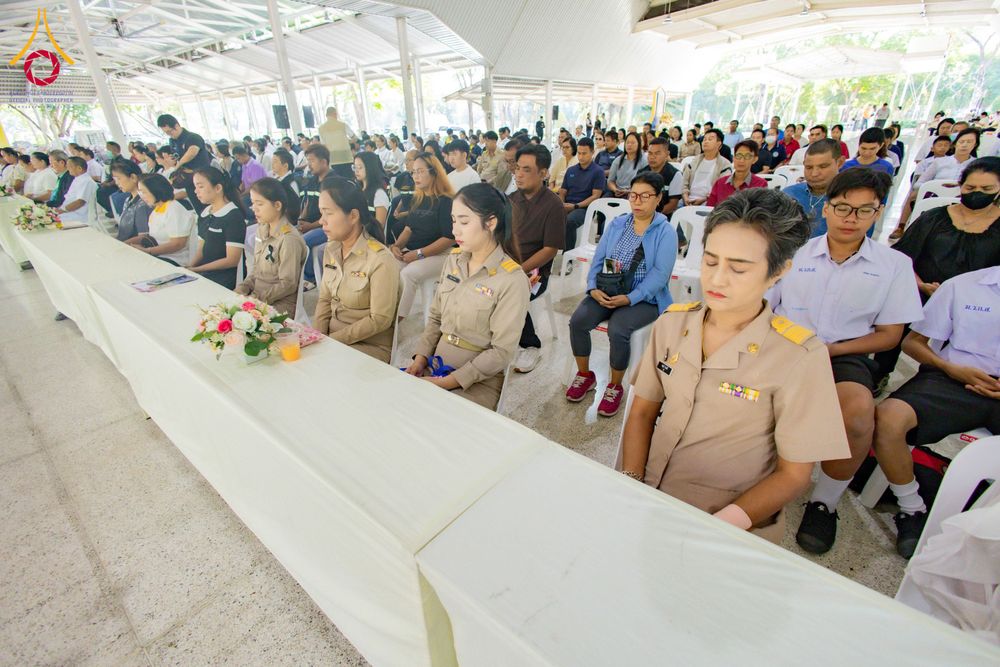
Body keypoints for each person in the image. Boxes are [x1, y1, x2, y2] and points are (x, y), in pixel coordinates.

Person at [620, 188, 848, 540]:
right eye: (710, 261)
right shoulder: (673, 323)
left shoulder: (799, 356)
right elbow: (641, 413)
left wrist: (718, 526)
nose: (717, 279)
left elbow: (793, 474)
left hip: (728, 520)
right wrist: (631, 486)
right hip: (648, 493)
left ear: (778, 272)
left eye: (738, 268)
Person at [767, 169, 924, 555]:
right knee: (737, 391)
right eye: (841, 208)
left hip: (843, 353)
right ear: (827, 209)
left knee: (857, 414)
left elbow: (889, 335)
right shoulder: (794, 251)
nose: (850, 218)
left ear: (878, 212)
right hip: (784, 346)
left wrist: (829, 351)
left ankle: (825, 501)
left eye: (863, 210)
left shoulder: (894, 265)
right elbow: (763, 305)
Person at [871, 266, 1000, 558]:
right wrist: (949, 367)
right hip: (951, 378)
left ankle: (987, 524)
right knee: (887, 419)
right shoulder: (963, 285)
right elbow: (913, 342)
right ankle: (911, 508)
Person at [874, 157, 1000, 384]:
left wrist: (957, 293)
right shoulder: (934, 218)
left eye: (986, 188)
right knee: (899, 312)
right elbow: (902, 258)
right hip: (921, 287)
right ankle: (881, 371)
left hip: (977, 298)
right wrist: (921, 284)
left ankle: (955, 377)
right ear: (961, 186)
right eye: (971, 187)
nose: (977, 192)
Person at [405, 183, 529, 410]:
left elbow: (501, 352)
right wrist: (421, 357)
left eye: (464, 222)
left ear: (490, 223)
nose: (455, 231)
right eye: (453, 221)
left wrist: (447, 382)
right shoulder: (453, 260)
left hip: (477, 382)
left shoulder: (511, 279)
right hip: (436, 364)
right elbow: (435, 318)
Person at [566, 172, 678, 417]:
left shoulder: (665, 232)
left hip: (644, 299)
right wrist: (593, 288)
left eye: (645, 196)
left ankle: (615, 386)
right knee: (578, 321)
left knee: (618, 329)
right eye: (633, 195)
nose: (637, 201)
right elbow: (599, 259)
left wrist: (630, 298)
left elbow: (660, 276)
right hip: (608, 289)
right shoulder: (618, 224)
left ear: (658, 198)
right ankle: (585, 375)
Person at [313, 177, 401, 362]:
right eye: (321, 213)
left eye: (328, 213)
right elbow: (325, 299)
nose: (322, 220)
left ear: (353, 216)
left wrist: (331, 342)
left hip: (368, 345)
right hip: (332, 339)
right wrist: (316, 337)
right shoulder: (332, 249)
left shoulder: (380, 259)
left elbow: (379, 319)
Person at [508, 144, 565, 374]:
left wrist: (519, 269)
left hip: (535, 270)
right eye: (517, 168)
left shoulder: (553, 206)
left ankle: (530, 344)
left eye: (526, 170)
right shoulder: (511, 199)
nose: (518, 174)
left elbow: (550, 250)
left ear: (543, 173)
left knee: (512, 289)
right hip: (508, 263)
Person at [389, 154, 456, 321]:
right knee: (385, 266)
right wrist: (396, 246)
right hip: (415, 251)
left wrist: (419, 254)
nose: (415, 176)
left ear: (434, 173)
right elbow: (408, 228)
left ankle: (395, 321)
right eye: (413, 172)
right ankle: (384, 312)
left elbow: (449, 238)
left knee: (408, 274)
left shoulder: (446, 201)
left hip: (443, 254)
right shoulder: (418, 199)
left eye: (420, 171)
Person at [236, 178, 308, 316]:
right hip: (258, 297)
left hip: (278, 304)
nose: (254, 209)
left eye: (260, 204)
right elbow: (256, 270)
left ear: (277, 205)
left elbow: (287, 284)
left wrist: (257, 299)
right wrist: (243, 288)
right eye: (253, 203)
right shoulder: (262, 229)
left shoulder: (288, 239)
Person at [187, 168, 247, 289]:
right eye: (195, 186)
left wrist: (198, 269)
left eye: (200, 186)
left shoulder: (233, 216)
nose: (195, 191)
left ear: (218, 188)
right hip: (206, 272)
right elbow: (201, 248)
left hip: (226, 278)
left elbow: (231, 260)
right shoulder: (205, 212)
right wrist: (189, 268)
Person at [127, 174, 196, 266]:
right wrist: (125, 244)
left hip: (175, 260)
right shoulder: (157, 210)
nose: (142, 196)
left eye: (144, 192)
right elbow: (151, 236)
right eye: (140, 192)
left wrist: (148, 251)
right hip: (160, 256)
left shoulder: (174, 209)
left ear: (155, 190)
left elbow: (178, 243)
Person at [781, 139, 844, 237]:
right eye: (809, 167)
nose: (814, 174)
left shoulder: (852, 200)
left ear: (839, 162)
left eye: (823, 166)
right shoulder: (788, 194)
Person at [156, 114, 211, 214]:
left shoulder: (192, 137)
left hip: (203, 177)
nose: (169, 134)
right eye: (166, 133)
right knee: (199, 208)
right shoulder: (172, 141)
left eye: (170, 131)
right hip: (188, 180)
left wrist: (177, 166)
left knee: (209, 205)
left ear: (176, 125)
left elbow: (192, 152)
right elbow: (176, 157)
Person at [559, 137, 606, 249]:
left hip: (585, 208)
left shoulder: (598, 172)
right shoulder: (571, 170)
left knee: (569, 222)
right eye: (579, 153)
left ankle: (568, 255)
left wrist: (575, 206)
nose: (580, 156)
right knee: (545, 216)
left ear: (592, 152)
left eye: (584, 153)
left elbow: (596, 196)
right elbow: (562, 191)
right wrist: (561, 204)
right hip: (567, 205)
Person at [296, 144, 332, 287]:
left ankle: (309, 277)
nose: (308, 165)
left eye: (311, 161)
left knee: (301, 242)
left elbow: (330, 214)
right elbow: (307, 204)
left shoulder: (332, 182)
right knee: (286, 236)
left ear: (323, 162)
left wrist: (310, 226)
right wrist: (301, 221)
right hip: (309, 224)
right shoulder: (313, 180)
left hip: (325, 227)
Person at [706, 140, 767, 206]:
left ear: (755, 159)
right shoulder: (720, 183)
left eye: (747, 156)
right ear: (734, 158)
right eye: (738, 155)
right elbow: (709, 209)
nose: (741, 160)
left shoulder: (761, 185)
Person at [681, 129, 732, 206]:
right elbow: (684, 182)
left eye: (710, 139)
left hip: (710, 202)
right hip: (687, 200)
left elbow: (721, 189)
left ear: (719, 144)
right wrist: (685, 196)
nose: (706, 141)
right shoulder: (694, 160)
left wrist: (704, 199)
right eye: (704, 139)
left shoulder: (725, 164)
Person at [638, 137, 682, 218]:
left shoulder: (675, 175)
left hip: (663, 217)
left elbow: (673, 205)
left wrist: (651, 215)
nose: (652, 157)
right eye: (650, 153)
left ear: (667, 154)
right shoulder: (641, 173)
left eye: (657, 153)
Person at [110, 161, 151, 242]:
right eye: (114, 179)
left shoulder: (142, 204)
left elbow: (144, 237)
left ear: (133, 177)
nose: (116, 183)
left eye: (118, 178)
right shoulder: (128, 200)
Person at [54, 157, 98, 226]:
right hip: (70, 212)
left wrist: (62, 210)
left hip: (79, 215)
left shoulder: (87, 181)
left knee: (52, 221)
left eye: (70, 167)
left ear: (79, 168)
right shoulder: (78, 179)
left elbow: (80, 202)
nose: (68, 169)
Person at [606, 132, 648, 198]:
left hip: (634, 194)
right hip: (616, 191)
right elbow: (610, 181)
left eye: (633, 143)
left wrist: (629, 191)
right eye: (627, 142)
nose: (629, 145)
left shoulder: (644, 161)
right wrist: (615, 190)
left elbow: (645, 184)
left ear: (639, 144)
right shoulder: (618, 160)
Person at [318, 107, 356, 178]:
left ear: (326, 115)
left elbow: (324, 145)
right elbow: (354, 138)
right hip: (346, 158)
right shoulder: (343, 125)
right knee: (349, 180)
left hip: (332, 160)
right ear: (335, 114)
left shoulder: (321, 129)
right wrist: (346, 141)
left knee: (337, 182)